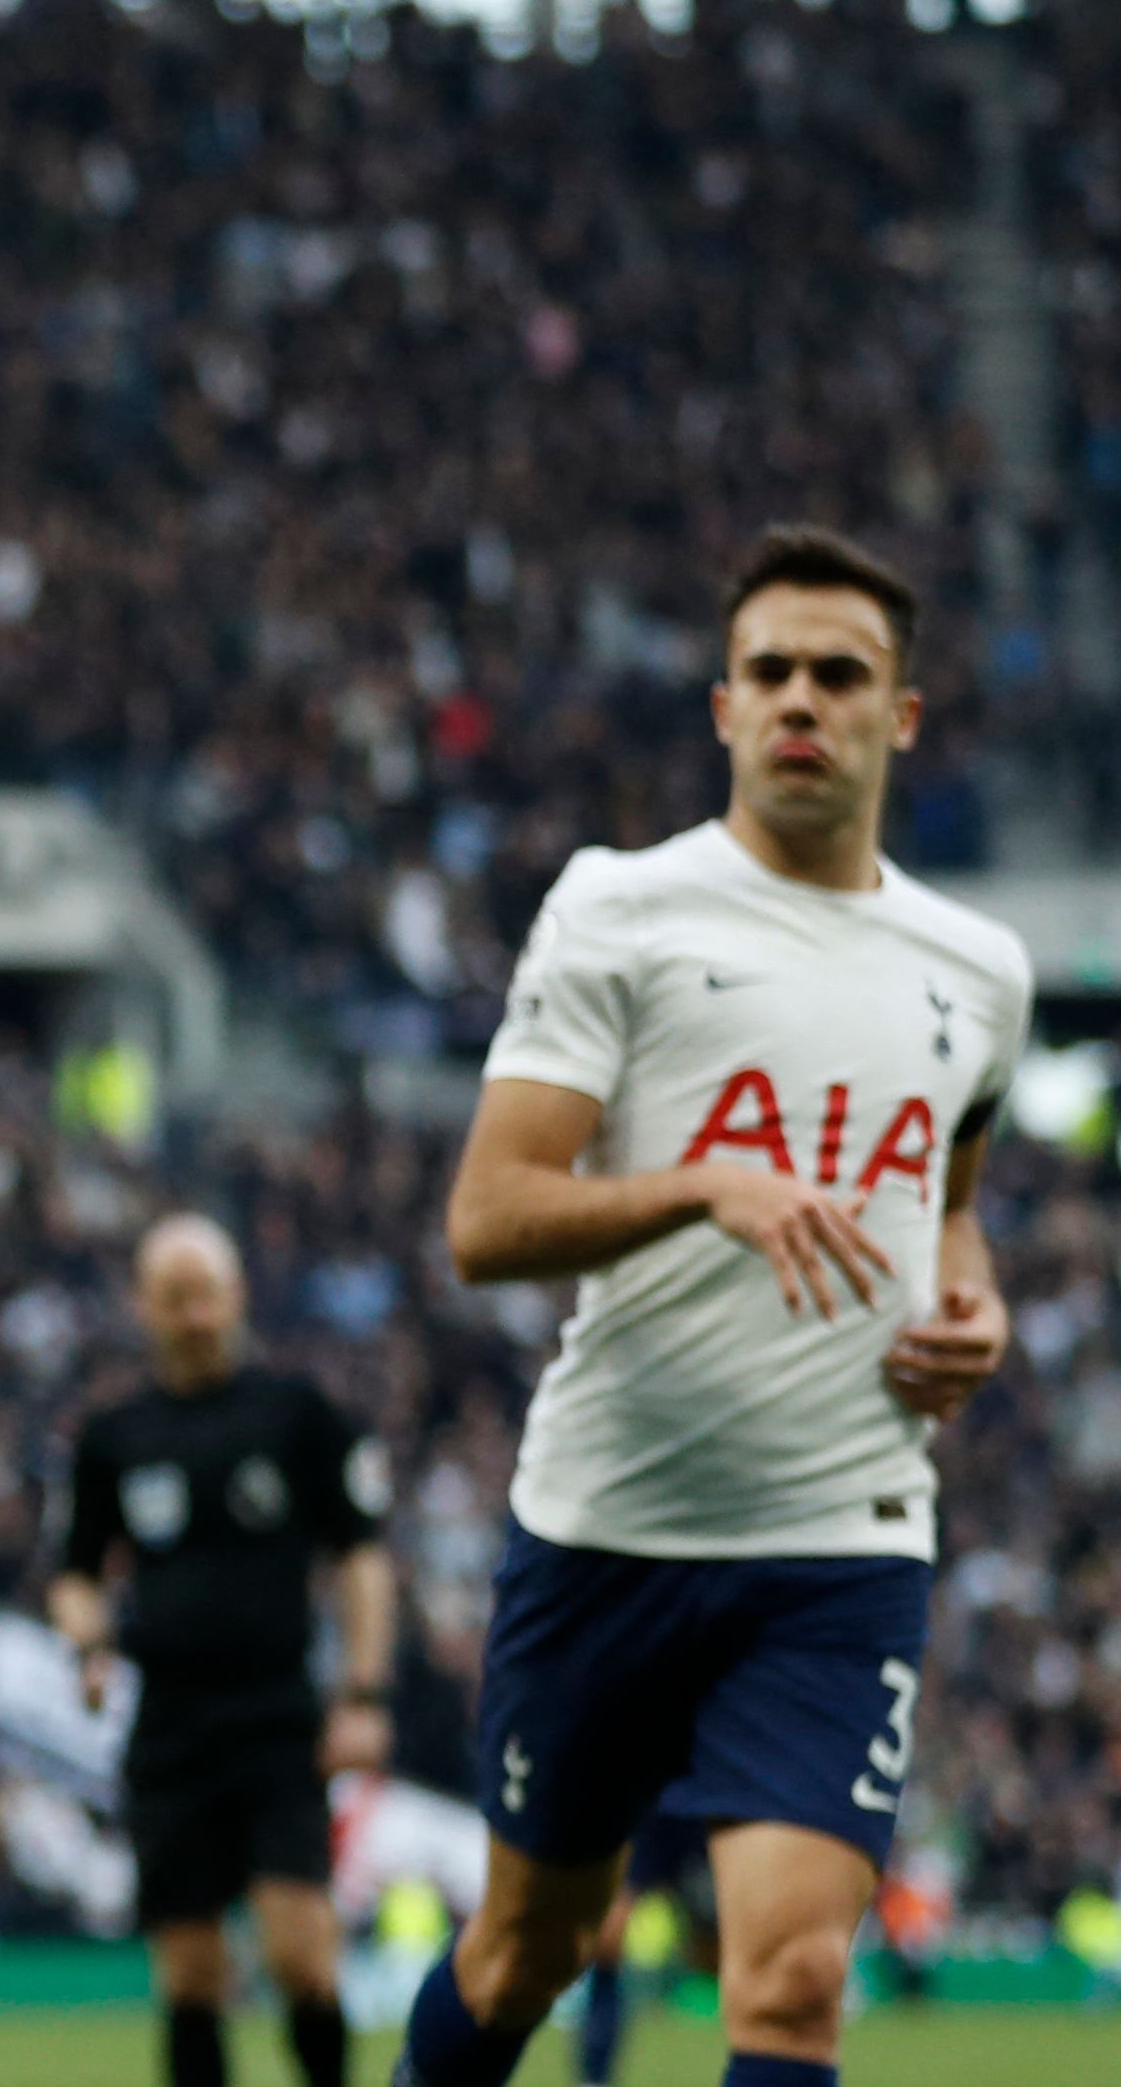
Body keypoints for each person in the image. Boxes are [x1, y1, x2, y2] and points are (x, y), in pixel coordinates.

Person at [397, 525, 1025, 2087]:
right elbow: (486, 1219)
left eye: (840, 673)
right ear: (723, 708)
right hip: (610, 1524)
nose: (802, 698)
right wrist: (699, 1184)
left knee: (795, 1978)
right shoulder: (622, 908)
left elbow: (946, 1206)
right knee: (529, 1948)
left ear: (903, 717)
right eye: (771, 672)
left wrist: (978, 1308)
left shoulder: (981, 970)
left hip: (839, 1540)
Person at [53, 1214, 396, 2087]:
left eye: (206, 1294)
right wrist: (87, 1643)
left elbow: (359, 1556)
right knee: (190, 1974)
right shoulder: (114, 1437)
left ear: (237, 1295)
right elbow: (75, 1574)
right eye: (175, 1298)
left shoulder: (296, 1414)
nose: (195, 1313)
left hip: (275, 1717)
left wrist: (362, 1692)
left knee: (299, 1951)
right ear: (144, 1308)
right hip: (169, 1727)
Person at [571, 1818, 714, 2087]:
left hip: (711, 1808)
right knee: (608, 1944)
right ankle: (594, 2077)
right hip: (654, 1812)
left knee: (723, 1955)